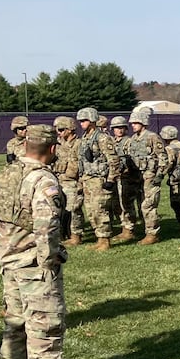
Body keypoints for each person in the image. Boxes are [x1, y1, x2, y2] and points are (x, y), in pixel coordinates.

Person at [0, 125, 79, 359]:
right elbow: (47, 225)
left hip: (10, 264)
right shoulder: (43, 180)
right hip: (34, 265)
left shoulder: (5, 174)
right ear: (53, 149)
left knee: (15, 324)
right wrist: (48, 261)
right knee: (45, 326)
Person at [76, 107, 121, 252]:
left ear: (92, 120)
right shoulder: (85, 138)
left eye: (84, 120)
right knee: (91, 211)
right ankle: (99, 238)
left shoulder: (102, 137)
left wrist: (111, 179)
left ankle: (105, 240)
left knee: (99, 209)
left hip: (99, 180)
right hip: (88, 179)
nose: (81, 123)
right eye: (80, 120)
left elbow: (113, 160)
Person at [127, 108, 169, 245]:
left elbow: (163, 157)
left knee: (148, 205)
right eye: (132, 123)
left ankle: (152, 234)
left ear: (143, 123)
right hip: (137, 177)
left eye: (135, 123)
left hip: (150, 176)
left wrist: (160, 175)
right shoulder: (133, 138)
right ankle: (145, 230)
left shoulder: (152, 137)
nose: (132, 125)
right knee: (140, 204)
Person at [52, 116, 84, 245]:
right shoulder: (58, 144)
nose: (58, 133)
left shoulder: (79, 144)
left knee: (73, 209)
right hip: (58, 180)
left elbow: (80, 164)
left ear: (70, 129)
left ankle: (76, 236)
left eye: (61, 129)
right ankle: (61, 234)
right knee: (59, 209)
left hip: (73, 182)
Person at [111, 115, 142, 242]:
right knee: (116, 204)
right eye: (116, 128)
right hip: (115, 177)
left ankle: (129, 229)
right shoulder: (111, 142)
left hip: (127, 177)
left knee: (127, 203)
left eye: (121, 127)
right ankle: (124, 227)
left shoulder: (129, 142)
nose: (119, 130)